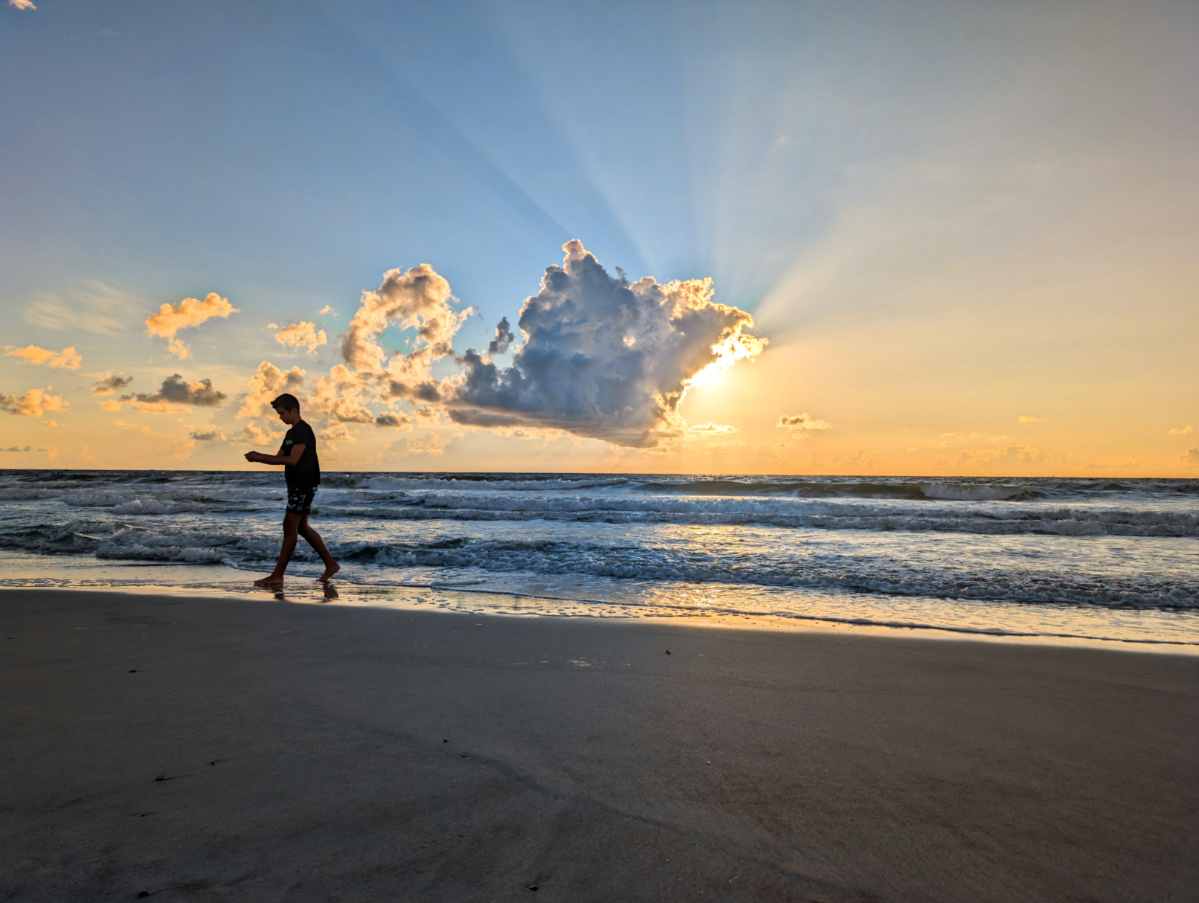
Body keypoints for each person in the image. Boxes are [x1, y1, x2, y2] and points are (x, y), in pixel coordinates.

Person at [244, 393, 339, 585]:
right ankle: (330, 564)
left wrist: (259, 457)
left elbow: (292, 460)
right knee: (301, 527)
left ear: (294, 410)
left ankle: (278, 575)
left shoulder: (303, 430)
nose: (280, 417)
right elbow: (280, 456)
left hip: (304, 483)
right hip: (296, 484)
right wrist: (259, 457)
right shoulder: (290, 434)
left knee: (289, 527)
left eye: (282, 413)